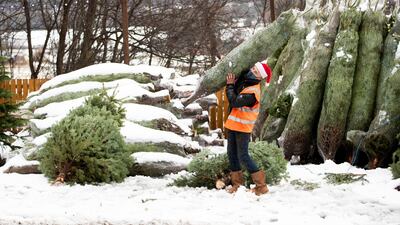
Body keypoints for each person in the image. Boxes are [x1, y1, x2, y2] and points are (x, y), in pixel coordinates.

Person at [224, 61, 272, 196]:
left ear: (259, 78)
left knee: (243, 156)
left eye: (256, 72)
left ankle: (261, 186)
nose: (252, 71)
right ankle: (237, 185)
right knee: (231, 154)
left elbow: (234, 101)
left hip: (243, 128)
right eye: (253, 69)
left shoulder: (253, 92)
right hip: (233, 125)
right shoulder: (246, 83)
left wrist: (230, 85)